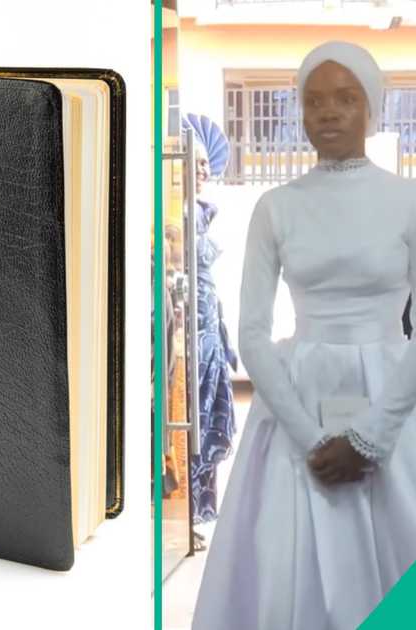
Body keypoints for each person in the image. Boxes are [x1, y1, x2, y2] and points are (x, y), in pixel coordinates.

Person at [192, 41, 416, 630]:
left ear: (372, 108)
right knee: (288, 570)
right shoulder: (276, 207)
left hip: (398, 394)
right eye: (313, 101)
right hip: (298, 398)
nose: (328, 112)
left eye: (345, 98)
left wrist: (371, 436)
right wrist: (310, 438)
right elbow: (253, 335)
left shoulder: (412, 202)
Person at [181, 114, 238, 551]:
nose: (202, 169)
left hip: (209, 332)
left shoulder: (202, 212)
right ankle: (180, 517)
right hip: (182, 332)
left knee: (208, 419)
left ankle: (196, 517)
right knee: (186, 421)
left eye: (205, 163)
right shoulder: (171, 214)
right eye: (194, 161)